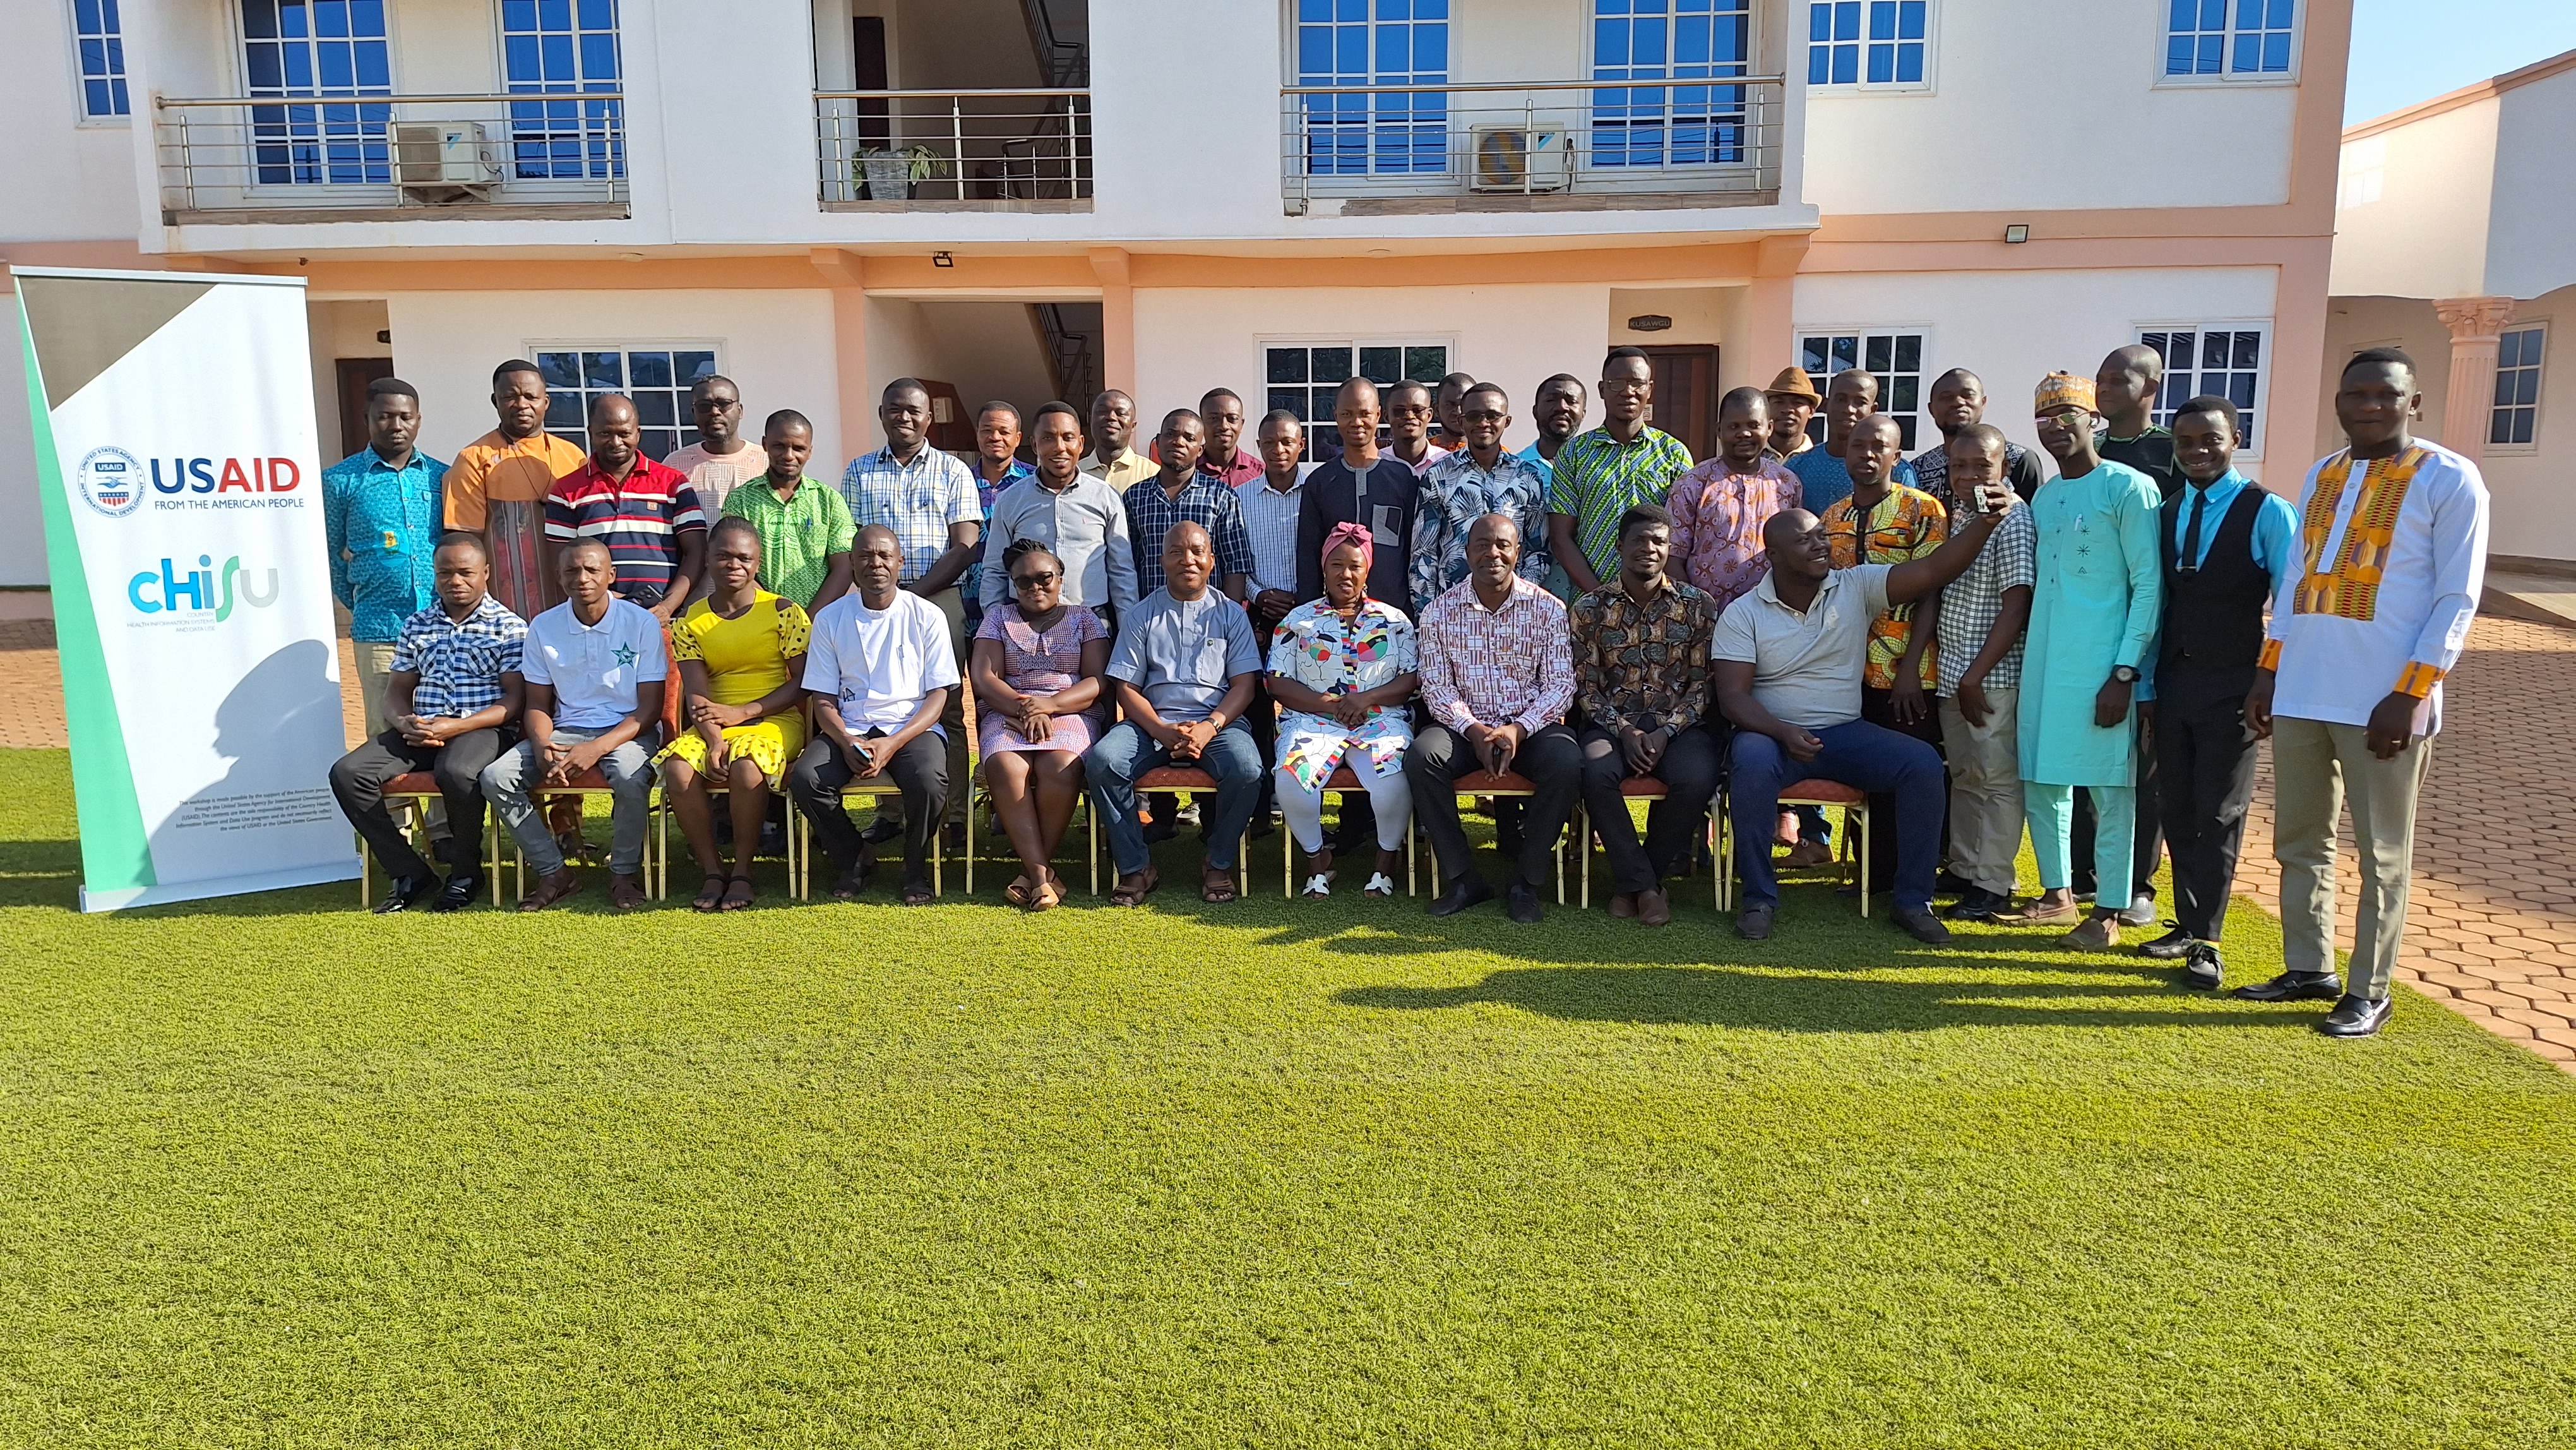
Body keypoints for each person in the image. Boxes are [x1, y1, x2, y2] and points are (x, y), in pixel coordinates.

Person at [2239, 348, 2488, 1038]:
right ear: (2340, 402)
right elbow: (2294, 583)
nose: (2370, 406)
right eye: (2356, 395)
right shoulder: (2324, 472)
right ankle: (2307, 966)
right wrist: (2269, 669)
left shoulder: (2449, 479)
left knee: (2380, 852)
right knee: (2299, 838)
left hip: (2384, 701)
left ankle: (2369, 989)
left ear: (2415, 402)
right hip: (2303, 690)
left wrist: (2412, 691)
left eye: (2387, 394)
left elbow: (2457, 596)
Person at [1714, 497, 2012, 945]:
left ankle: (1913, 901)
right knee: (1751, 760)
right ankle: (1759, 899)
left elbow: (1933, 571)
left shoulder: (1855, 586)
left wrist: (1988, 521)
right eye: (1805, 541)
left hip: (1845, 734)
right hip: (1772, 736)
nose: (1821, 547)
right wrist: (1782, 732)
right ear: (1773, 555)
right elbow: (1733, 698)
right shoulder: (1743, 613)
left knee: (1923, 763)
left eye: (1821, 536)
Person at [2133, 395, 2299, 986]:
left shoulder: (2268, 511)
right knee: (2174, 806)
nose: (2198, 451)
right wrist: (2148, 685)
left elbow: (2291, 602)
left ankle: (2209, 940)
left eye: (2211, 440)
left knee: (2220, 811)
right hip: (2174, 682)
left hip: (2236, 684)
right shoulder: (2169, 509)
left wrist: (2268, 675)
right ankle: (2184, 923)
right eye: (2186, 443)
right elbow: (2157, 604)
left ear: (2235, 439)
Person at [2003, 371, 2163, 948]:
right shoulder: (2045, 497)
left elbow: (2148, 585)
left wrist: (2124, 671)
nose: (2055, 427)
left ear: (2092, 419)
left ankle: (2111, 911)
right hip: (2045, 664)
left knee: (2111, 789)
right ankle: (2056, 896)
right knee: (2043, 779)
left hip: (2104, 669)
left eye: (2067, 415)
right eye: (2045, 418)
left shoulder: (2128, 487)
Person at [328, 532, 525, 913]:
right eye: (445, 573)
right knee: (349, 773)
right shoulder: (417, 624)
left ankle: (466, 872)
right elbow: (398, 690)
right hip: (423, 729)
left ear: (486, 572)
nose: (455, 581)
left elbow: (513, 702)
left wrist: (457, 727)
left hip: (484, 730)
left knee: (456, 771)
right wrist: (404, 722)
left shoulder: (509, 626)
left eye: (466, 573)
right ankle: (410, 872)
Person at [1667, 384, 1822, 870]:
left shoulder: (1787, 485)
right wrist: (1695, 618)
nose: (1744, 434)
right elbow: (1674, 561)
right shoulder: (1694, 484)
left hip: (1773, 630)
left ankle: (1763, 829)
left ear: (1768, 428)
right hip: (1707, 631)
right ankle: (1694, 842)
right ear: (1718, 430)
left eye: (1752, 425)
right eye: (1733, 426)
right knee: (1705, 728)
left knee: (1763, 724)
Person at [1406, 513, 1583, 926]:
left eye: (1503, 544)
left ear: (1518, 552)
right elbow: (1435, 686)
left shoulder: (1548, 610)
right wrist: (1475, 729)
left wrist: (1517, 729)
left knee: (1567, 762)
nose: (1493, 553)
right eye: (1483, 545)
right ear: (1467, 553)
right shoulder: (1438, 614)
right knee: (1422, 757)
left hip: (1530, 729)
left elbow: (1560, 685)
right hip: (1464, 731)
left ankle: (1526, 881)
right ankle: (1464, 877)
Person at [481, 539, 667, 913]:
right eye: (572, 571)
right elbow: (537, 704)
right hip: (566, 730)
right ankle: (554, 873)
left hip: (627, 729)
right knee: (495, 777)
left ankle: (624, 872)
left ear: (611, 575)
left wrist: (597, 749)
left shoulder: (641, 623)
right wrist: (541, 745)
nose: (582, 578)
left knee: (631, 778)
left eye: (592, 569)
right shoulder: (544, 627)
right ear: (559, 578)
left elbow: (649, 710)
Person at [1086, 522, 1266, 907]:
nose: (1188, 560)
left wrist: (1209, 726)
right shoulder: (1140, 615)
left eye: (1198, 551)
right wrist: (1161, 730)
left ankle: (1218, 861)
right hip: (1150, 723)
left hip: (1219, 723)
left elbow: (1244, 687)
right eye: (1177, 552)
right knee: (1104, 761)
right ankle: (1135, 867)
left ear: (1211, 561)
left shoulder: (1231, 614)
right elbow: (1127, 689)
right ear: (1162, 560)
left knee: (1248, 769)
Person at [837, 377, 981, 846]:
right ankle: (892, 810)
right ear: (882, 414)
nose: (905, 417)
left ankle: (953, 813)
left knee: (950, 707)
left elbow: (964, 547)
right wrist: (885, 595)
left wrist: (912, 594)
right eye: (895, 409)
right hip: (873, 603)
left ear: (929, 418)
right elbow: (855, 546)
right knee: (881, 698)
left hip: (937, 600)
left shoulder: (953, 471)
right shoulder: (859, 472)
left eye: (914, 411)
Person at [789, 524, 959, 906]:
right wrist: (846, 739)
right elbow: (823, 696)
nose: (875, 563)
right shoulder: (831, 618)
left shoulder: (927, 615)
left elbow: (938, 696)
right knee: (806, 779)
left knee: (930, 783)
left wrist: (893, 742)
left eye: (884, 556)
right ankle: (855, 857)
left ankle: (914, 869)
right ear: (851, 563)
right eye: (865, 556)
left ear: (900, 563)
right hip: (850, 726)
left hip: (910, 727)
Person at [653, 518, 812, 913]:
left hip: (776, 717)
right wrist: (713, 738)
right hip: (715, 721)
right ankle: (712, 870)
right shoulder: (691, 618)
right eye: (723, 556)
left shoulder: (784, 612)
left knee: (746, 767)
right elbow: (697, 694)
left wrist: (743, 712)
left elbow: (802, 685)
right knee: (677, 768)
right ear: (707, 559)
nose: (734, 565)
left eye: (744, 558)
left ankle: (742, 871)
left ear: (758, 564)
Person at [1571, 505, 1720, 927]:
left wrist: (1668, 731)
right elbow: (1586, 686)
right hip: (1611, 723)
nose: (1649, 549)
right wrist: (1623, 729)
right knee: (1594, 772)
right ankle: (1648, 887)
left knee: (1695, 778)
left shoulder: (1698, 607)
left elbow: (1702, 685)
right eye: (1639, 540)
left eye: (1658, 541)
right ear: (1620, 546)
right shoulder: (1590, 609)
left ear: (1669, 549)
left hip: (1680, 724)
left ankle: (1634, 882)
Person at [1822, 412, 1950, 894]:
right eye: (1859, 446)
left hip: (1907, 669)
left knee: (1912, 772)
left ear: (1897, 456)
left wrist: (1911, 669)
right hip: (1848, 669)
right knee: (1867, 773)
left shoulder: (1923, 510)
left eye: (1880, 447)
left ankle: (1913, 877)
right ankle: (1869, 874)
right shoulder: (1832, 518)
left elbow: (1932, 589)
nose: (1868, 455)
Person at [1270, 522, 1419, 899]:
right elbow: (1278, 682)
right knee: (1292, 780)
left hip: (1378, 720)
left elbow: (1411, 679)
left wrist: (1364, 700)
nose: (1345, 574)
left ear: (1367, 569)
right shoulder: (1298, 620)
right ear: (1324, 568)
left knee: (1391, 784)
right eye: (1337, 564)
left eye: (1354, 565)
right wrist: (1332, 705)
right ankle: (1318, 861)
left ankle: (1385, 864)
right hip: (1314, 720)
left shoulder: (1394, 621)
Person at [1929, 426, 2037, 924]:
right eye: (1959, 466)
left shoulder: (2012, 519)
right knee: (1967, 774)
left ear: (2005, 469)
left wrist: (1975, 676)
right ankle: (1967, 866)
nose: (1969, 475)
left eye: (1982, 466)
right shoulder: (1962, 516)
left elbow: (2017, 605)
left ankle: (1994, 881)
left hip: (1989, 676)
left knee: (1995, 779)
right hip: (1954, 673)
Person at [972, 539, 1112, 912]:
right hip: (1008, 711)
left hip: (1071, 712)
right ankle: (1041, 876)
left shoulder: (1085, 619)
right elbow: (985, 678)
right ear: (1013, 584)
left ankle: (1033, 874)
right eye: (1024, 581)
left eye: (1044, 578)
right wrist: (1024, 709)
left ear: (1061, 578)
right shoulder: (998, 618)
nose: (1035, 587)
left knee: (1059, 764)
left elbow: (1097, 681)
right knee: (1006, 765)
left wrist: (1049, 706)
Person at [325, 376, 450, 740]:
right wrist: (363, 601)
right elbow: (332, 556)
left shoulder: (442, 477)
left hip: (440, 629)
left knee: (440, 731)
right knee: (384, 735)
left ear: (418, 420)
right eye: (385, 416)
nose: (396, 425)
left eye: (405, 417)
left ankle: (445, 801)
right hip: (379, 630)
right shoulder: (339, 481)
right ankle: (395, 802)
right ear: (366, 418)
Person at [542, 393, 707, 622]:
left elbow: (696, 552)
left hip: (664, 618)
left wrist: (668, 606)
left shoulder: (673, 483)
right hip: (600, 617)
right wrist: (613, 603)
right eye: (605, 434)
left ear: (638, 433)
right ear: (591, 433)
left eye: (624, 433)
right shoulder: (566, 491)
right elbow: (562, 563)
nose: (616, 442)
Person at [444, 359, 587, 621]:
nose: (522, 404)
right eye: (510, 396)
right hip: (506, 602)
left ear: (546, 401)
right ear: (495, 401)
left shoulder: (573, 456)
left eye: (531, 396)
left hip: (571, 597)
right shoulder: (474, 458)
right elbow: (465, 541)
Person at [1547, 347, 1694, 601]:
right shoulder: (1574, 453)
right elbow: (1561, 537)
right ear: (1602, 390)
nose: (1628, 392)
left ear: (1650, 389)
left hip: (1658, 605)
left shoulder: (1674, 454)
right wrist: (1601, 596)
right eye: (1617, 384)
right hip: (1590, 603)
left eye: (1637, 384)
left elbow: (1681, 538)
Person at [981, 401, 1142, 625]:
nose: (1059, 447)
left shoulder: (1105, 497)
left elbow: (1121, 571)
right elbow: (995, 570)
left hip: (1092, 622)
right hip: (1026, 623)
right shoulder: (1011, 499)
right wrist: (994, 626)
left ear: (1081, 444)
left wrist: (1127, 629)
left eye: (1068, 437)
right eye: (1048, 438)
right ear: (1034, 445)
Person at [1412, 381, 1551, 616]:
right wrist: (1428, 614)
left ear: (1507, 421)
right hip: (1453, 611)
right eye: (1474, 416)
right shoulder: (1438, 475)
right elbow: (1423, 553)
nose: (1483, 423)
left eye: (1493, 416)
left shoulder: (1528, 476)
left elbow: (1537, 550)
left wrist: (1525, 603)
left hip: (1515, 611)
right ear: (1461, 421)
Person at [719, 409, 856, 616]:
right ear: (765, 445)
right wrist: (773, 614)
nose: (789, 456)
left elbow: (845, 567)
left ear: (810, 451)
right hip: (756, 617)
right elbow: (735, 564)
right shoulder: (740, 500)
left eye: (799, 448)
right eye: (779, 446)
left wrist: (810, 619)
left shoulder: (829, 500)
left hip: (820, 622)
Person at [1298, 378, 1420, 610]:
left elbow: (1415, 552)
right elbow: (1308, 557)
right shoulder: (1320, 482)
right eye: (1347, 414)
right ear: (1336, 416)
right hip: (1333, 618)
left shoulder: (1404, 478)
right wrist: (1309, 615)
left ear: (1378, 415)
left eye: (1365, 413)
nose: (1357, 422)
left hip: (1393, 615)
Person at [1128, 409, 1254, 600]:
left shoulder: (1221, 496)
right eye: (1171, 434)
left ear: (1200, 449)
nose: (1179, 442)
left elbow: (1235, 564)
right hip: (1150, 617)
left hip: (1207, 617)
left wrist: (1229, 619)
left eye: (1189, 438)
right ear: (1159, 441)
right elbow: (1129, 564)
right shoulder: (1135, 497)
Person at [1911, 368, 2050, 510]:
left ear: (1983, 403)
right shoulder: (1917, 469)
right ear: (1931, 409)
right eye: (1946, 397)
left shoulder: (2019, 459)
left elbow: (2037, 521)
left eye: (1968, 395)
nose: (1958, 402)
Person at [1784, 368, 1915, 515]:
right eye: (1841, 399)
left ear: (1873, 410)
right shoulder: (1797, 467)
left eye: (1860, 402)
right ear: (1826, 405)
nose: (1849, 409)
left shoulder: (1896, 470)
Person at [962, 400, 1036, 634]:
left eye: (1004, 432)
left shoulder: (1034, 481)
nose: (995, 437)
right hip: (966, 596)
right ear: (977, 434)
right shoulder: (958, 481)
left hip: (1021, 596)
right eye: (987, 430)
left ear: (1018, 438)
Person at [664, 375, 768, 520]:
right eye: (704, 406)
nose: (714, 412)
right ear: (694, 414)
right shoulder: (674, 466)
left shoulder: (767, 462)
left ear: (740, 411)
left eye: (724, 404)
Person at [2096, 344, 2186, 498]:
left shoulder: (2177, 447)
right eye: (2100, 381)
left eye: (2117, 381)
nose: (2102, 389)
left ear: (2149, 387)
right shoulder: (2089, 446)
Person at [1082, 388, 1156, 493]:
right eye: (1102, 411)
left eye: (1121, 413)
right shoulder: (1074, 474)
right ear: (1091, 421)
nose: (1111, 417)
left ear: (1133, 426)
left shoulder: (1154, 475)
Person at [1196, 388, 1262, 488]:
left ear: (1241, 425)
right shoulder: (1187, 470)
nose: (1224, 426)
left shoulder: (1260, 473)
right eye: (1214, 418)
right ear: (1200, 424)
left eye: (1232, 419)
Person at [1384, 380, 1450, 477]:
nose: (1410, 416)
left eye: (1417, 410)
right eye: (1399, 411)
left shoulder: (1449, 464)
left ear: (1429, 415)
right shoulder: (1375, 463)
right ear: (1386, 417)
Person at [1763, 366, 1821, 463]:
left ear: (1811, 411)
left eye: (1797, 403)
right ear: (1767, 409)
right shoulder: (1749, 458)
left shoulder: (1819, 461)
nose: (1787, 410)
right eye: (1779, 402)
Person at [1433, 370, 1478, 448]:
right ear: (1437, 409)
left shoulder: (1494, 455)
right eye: (1450, 405)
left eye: (1465, 404)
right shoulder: (1422, 453)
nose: (1458, 412)